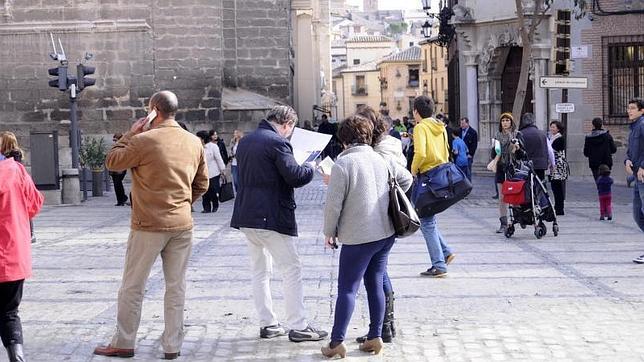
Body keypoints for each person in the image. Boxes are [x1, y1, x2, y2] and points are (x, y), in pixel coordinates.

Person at [94, 91, 209, 360]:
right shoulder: (194, 142)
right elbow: (202, 183)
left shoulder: (144, 141)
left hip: (147, 225)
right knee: (176, 286)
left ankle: (124, 342)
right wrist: (181, 203)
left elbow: (112, 161)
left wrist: (131, 133)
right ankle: (172, 346)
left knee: (133, 285)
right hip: (182, 224)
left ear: (153, 111)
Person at [230, 105, 328, 342]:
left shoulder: (246, 141)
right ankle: (299, 325)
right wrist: (311, 164)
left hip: (246, 215)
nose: (290, 134)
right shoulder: (277, 142)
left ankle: (268, 323)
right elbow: (295, 176)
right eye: (290, 129)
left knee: (260, 271)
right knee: (291, 268)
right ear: (286, 124)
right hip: (271, 216)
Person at [320, 115, 412, 358]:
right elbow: (407, 178)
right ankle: (375, 336)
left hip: (358, 237)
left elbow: (333, 205)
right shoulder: (381, 158)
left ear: (344, 140)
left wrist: (329, 233)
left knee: (347, 289)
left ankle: (336, 342)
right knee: (375, 284)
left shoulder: (343, 164)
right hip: (384, 233)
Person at [353, 105, 405, 344]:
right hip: (383, 217)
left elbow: (401, 179)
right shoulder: (387, 145)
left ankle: (384, 326)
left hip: (379, 218)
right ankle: (386, 326)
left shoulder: (381, 151)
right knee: (379, 271)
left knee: (376, 273)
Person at [0, 156, 44, 362]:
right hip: (12, 257)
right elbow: (34, 204)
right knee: (9, 313)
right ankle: (17, 359)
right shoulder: (15, 169)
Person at [411, 96, 456, 277]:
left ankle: (439, 265)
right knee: (428, 219)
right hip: (440, 175)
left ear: (416, 111)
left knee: (426, 220)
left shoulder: (420, 127)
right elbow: (445, 151)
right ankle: (445, 252)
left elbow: (421, 152)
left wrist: (413, 170)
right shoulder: (441, 127)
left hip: (426, 177)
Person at [1, 132, 36, 244]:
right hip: (20, 183)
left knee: (20, 209)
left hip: (14, 184)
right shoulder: (16, 153)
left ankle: (29, 234)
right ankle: (30, 233)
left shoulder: (11, 155)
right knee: (25, 208)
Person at [493, 113, 523, 233]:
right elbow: (493, 153)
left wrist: (517, 148)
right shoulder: (497, 135)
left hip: (514, 168)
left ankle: (518, 217)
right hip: (501, 167)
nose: (505, 123)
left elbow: (522, 154)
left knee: (514, 195)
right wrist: (495, 151)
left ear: (511, 122)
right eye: (503, 121)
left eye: (507, 120)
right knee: (501, 197)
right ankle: (503, 223)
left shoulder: (517, 134)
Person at [625, 98, 644, 264]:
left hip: (643, 175)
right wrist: (627, 160)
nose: (629, 111)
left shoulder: (643, 125)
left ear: (642, 110)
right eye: (628, 108)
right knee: (638, 214)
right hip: (637, 177)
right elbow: (630, 150)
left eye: (633, 108)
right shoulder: (633, 127)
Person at [197, 130, 226, 213]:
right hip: (202, 172)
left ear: (203, 138)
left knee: (212, 189)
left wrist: (222, 169)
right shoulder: (198, 147)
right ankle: (206, 207)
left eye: (198, 138)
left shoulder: (213, 147)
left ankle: (215, 204)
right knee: (204, 191)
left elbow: (218, 158)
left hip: (213, 172)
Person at [518, 113, 549, 180]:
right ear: (533, 121)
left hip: (526, 165)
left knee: (528, 186)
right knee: (540, 185)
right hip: (541, 164)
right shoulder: (542, 133)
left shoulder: (520, 134)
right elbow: (548, 150)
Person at [548, 121, 568, 216]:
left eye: (553, 127)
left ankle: (560, 208)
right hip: (553, 165)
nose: (551, 129)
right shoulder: (552, 138)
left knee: (558, 187)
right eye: (551, 127)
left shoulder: (559, 138)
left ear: (558, 128)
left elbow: (554, 150)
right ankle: (557, 206)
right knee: (555, 187)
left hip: (558, 166)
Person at [109, 133, 129, 206]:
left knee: (118, 184)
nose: (115, 141)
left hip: (121, 168)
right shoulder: (115, 146)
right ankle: (121, 200)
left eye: (116, 140)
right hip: (114, 168)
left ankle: (122, 199)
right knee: (116, 184)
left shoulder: (123, 146)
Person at [460, 117, 478, 181]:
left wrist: (471, 154)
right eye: (461, 123)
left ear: (467, 123)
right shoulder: (459, 130)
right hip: (460, 155)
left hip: (468, 155)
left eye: (463, 123)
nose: (461, 125)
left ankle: (468, 185)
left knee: (467, 171)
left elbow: (474, 144)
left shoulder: (473, 132)